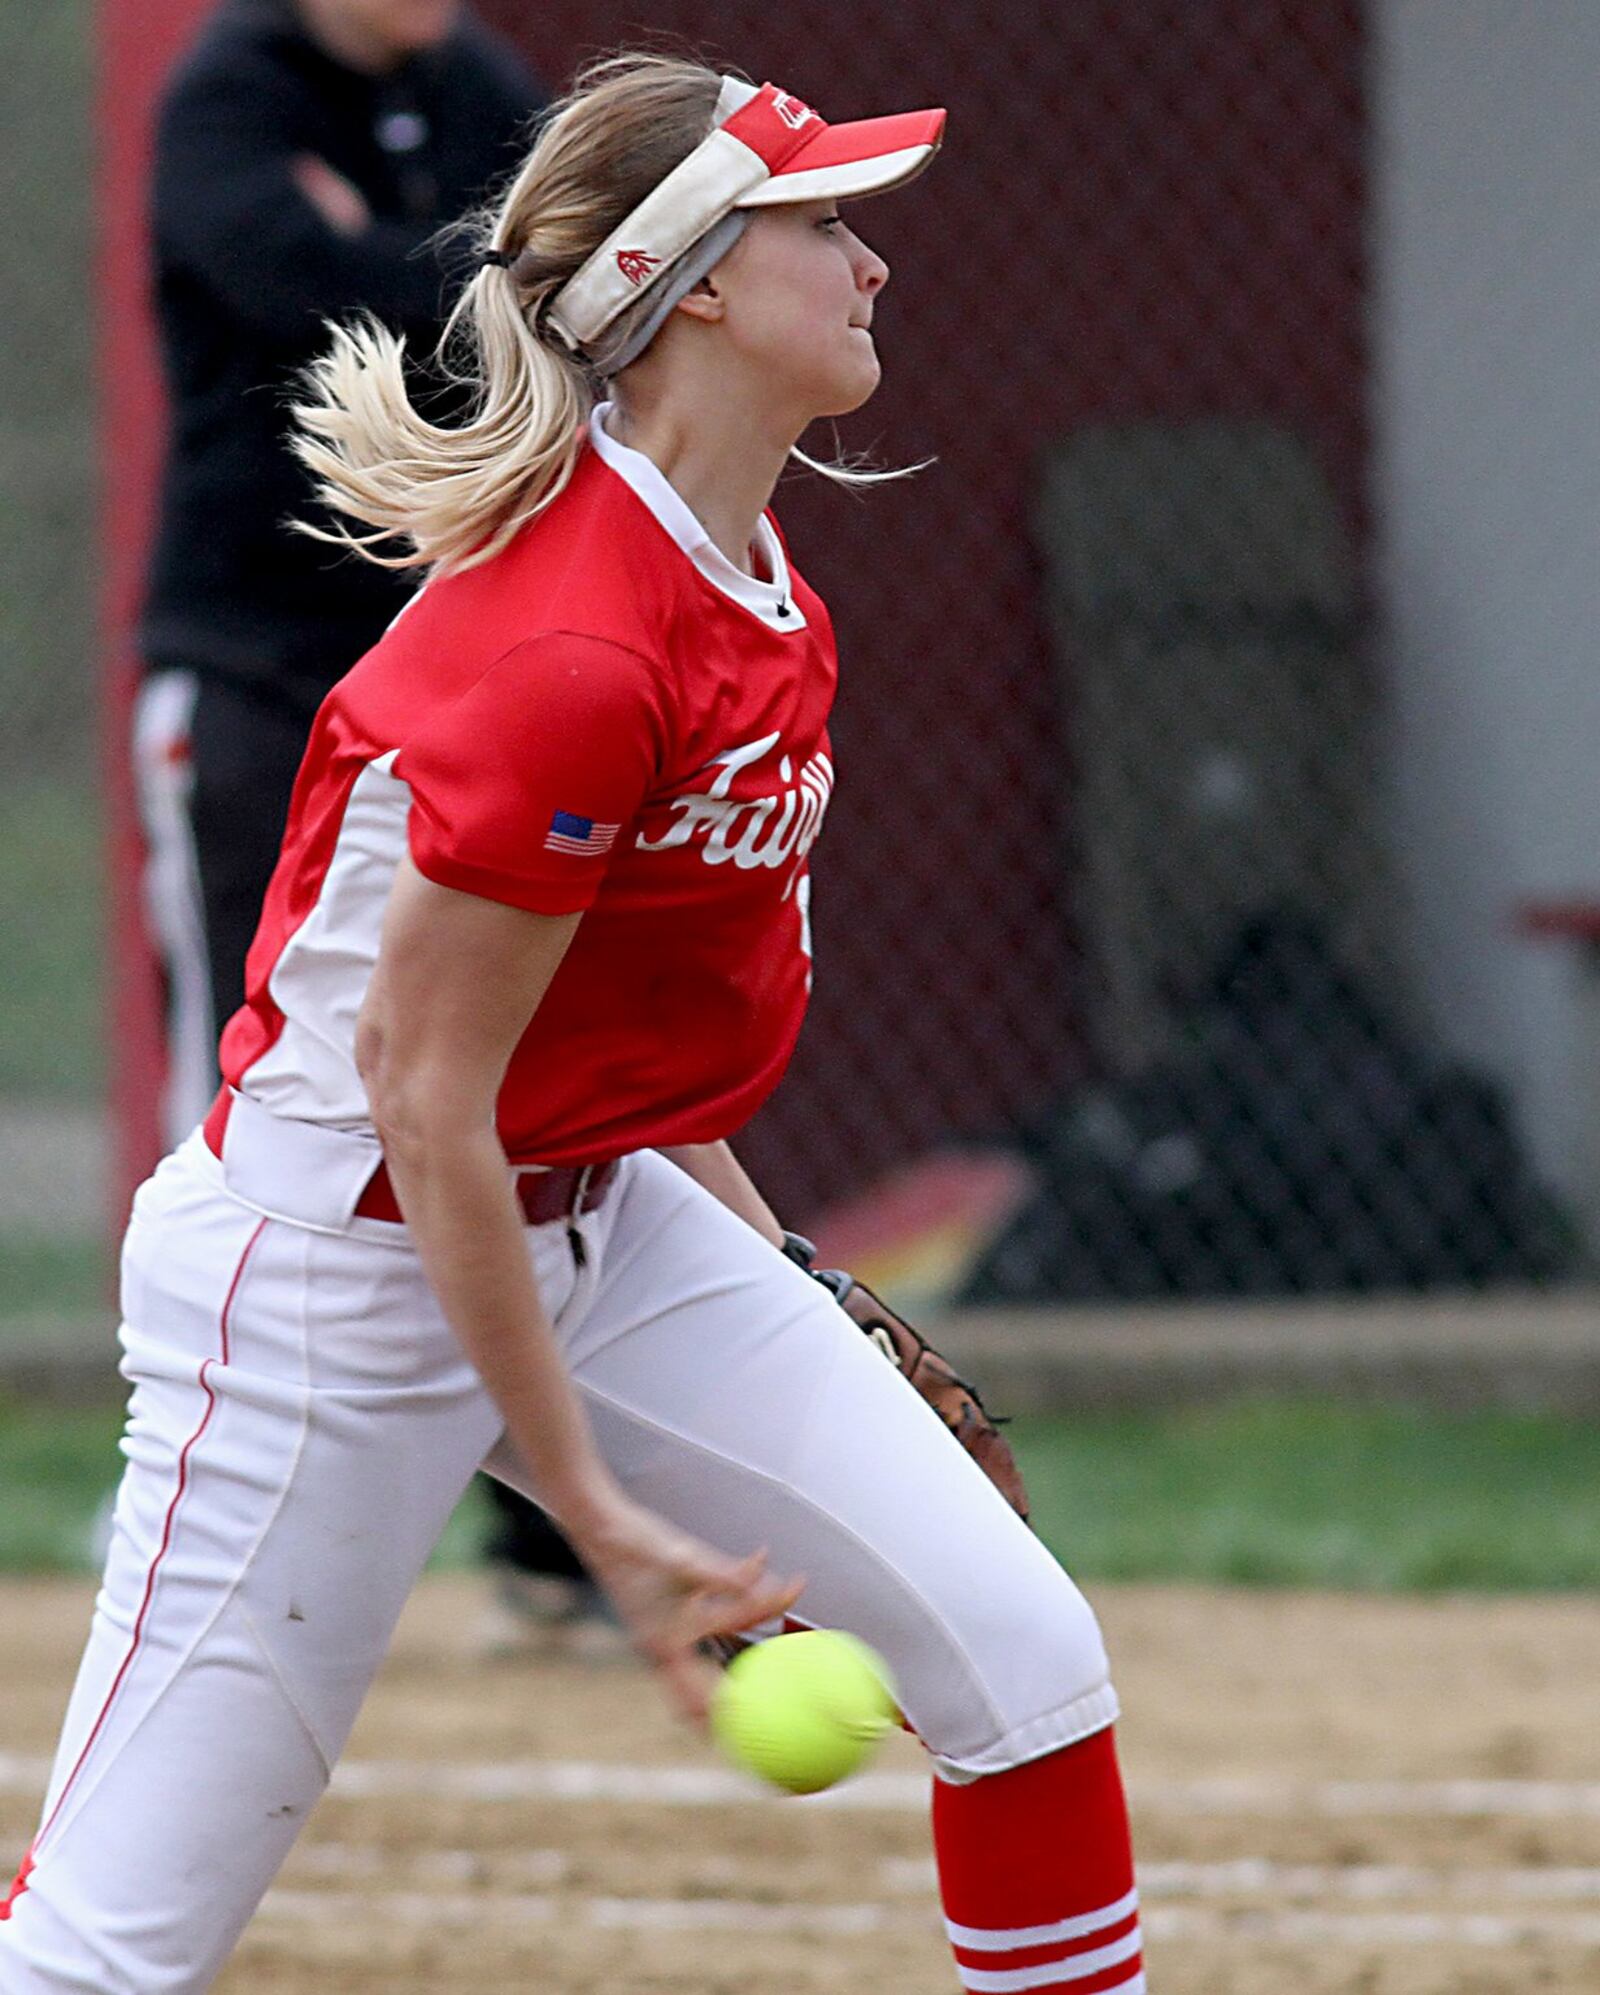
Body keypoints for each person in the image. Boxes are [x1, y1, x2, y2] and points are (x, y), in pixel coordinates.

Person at [1, 53, 1145, 1993]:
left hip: (601, 1211)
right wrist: (601, 1516)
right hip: (331, 1281)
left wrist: (794, 1282)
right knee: (118, 1946)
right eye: (819, 227)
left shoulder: (758, 584)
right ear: (686, 278)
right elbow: (424, 1101)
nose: (869, 266)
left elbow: (620, 1041)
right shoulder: (567, 647)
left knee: (1022, 1661)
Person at [133, 0, 599, 1639]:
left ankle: (550, 1533)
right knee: (255, 1095)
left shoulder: (478, 83)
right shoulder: (229, 93)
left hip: (448, 682)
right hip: (256, 676)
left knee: (506, 1086)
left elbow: (553, 300)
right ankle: (218, 1491)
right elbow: (319, 312)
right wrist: (438, 267)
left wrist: (408, 259)